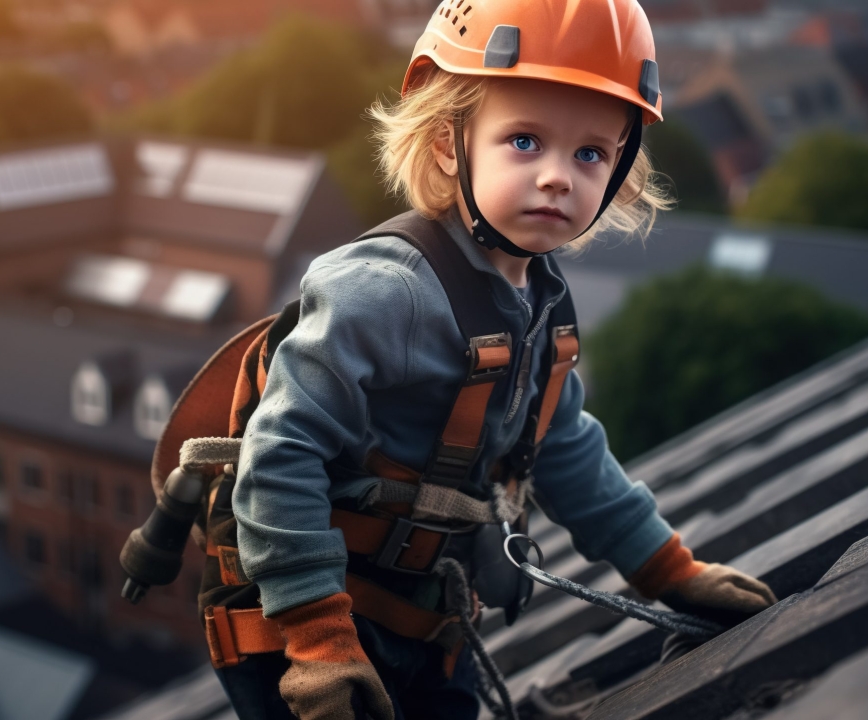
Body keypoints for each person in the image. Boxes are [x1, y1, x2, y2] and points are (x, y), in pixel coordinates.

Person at [221, 1, 778, 718]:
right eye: (524, 140)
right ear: (452, 143)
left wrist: (666, 569)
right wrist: (318, 637)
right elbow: (279, 456)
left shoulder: (540, 308)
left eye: (590, 154)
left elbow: (565, 451)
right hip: (305, 622)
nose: (558, 177)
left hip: (424, 619)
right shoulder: (382, 294)